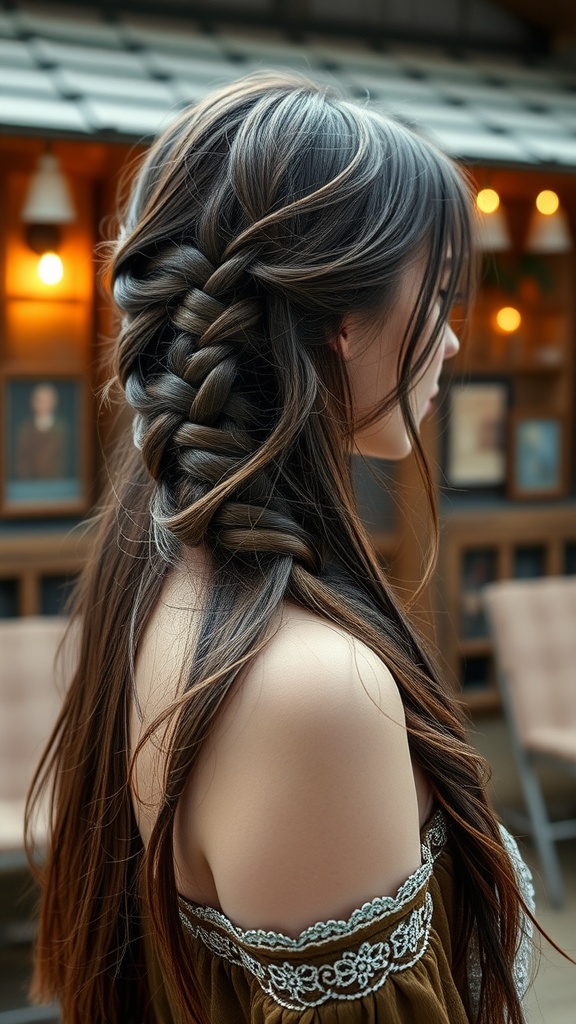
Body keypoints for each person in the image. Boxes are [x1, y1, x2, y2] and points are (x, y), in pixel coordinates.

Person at [27, 71, 538, 1024]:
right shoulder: (311, 690)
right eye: (437, 296)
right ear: (343, 325)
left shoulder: (159, 569)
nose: (456, 342)